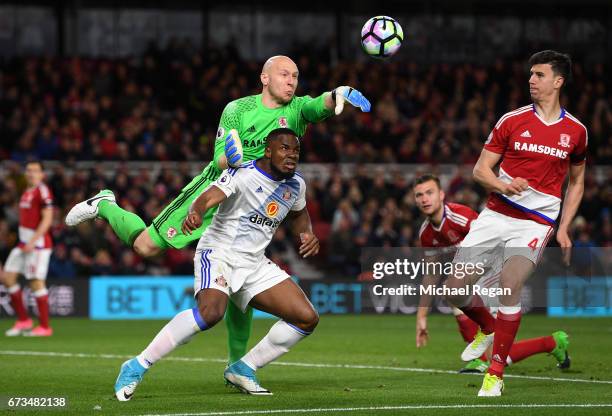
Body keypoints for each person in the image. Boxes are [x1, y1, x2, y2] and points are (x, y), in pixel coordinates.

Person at [65, 55, 369, 367]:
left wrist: (339, 94)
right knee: (145, 247)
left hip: (253, 203)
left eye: (295, 75)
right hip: (217, 190)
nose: (291, 81)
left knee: (243, 280)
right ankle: (105, 204)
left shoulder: (296, 110)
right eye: (283, 74)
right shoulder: (237, 109)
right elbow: (219, 158)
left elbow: (320, 105)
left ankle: (238, 365)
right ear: (265, 78)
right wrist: (233, 157)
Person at [113, 129, 319, 400]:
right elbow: (208, 197)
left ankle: (244, 368)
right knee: (210, 313)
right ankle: (137, 365)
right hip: (219, 253)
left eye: (296, 151)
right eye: (284, 148)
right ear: (268, 151)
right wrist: (196, 212)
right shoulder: (243, 174)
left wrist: (307, 233)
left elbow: (299, 213)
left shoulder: (296, 185)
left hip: (254, 263)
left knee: (306, 318)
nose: (291, 155)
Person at [443, 50, 587, 396]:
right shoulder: (512, 120)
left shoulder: (576, 131)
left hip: (535, 223)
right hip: (496, 213)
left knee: (509, 284)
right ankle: (489, 328)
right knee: (454, 290)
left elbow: (578, 181)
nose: (531, 80)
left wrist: (564, 226)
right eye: (530, 75)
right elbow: (480, 170)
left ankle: (495, 373)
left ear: (558, 80)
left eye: (538, 75)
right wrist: (502, 185)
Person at [413, 173, 570, 374]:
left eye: (429, 192)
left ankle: (480, 359)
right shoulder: (426, 233)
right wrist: (421, 316)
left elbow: (494, 241)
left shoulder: (461, 216)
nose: (424, 199)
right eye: (419, 195)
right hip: (474, 277)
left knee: (493, 348)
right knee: (496, 351)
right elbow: (432, 273)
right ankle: (552, 343)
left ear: (441, 194)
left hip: (494, 274)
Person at [2, 161, 54, 337]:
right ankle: (24, 321)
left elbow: (47, 219)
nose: (31, 173)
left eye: (35, 171)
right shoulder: (26, 192)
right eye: (29, 170)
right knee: (8, 278)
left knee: (36, 282)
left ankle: (45, 327)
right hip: (23, 243)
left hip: (37, 244)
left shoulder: (43, 191)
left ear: (42, 175)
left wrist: (33, 241)